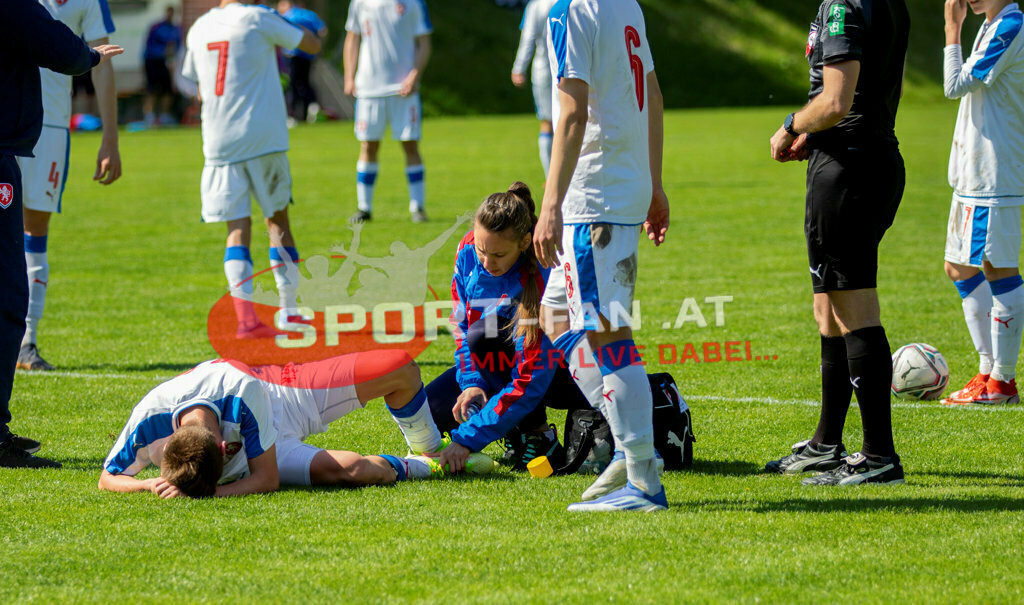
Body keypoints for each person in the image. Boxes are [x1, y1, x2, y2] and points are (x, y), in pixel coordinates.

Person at [533, 0, 670, 512]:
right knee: (555, 315)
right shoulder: (624, 3)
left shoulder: (569, 9)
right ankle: (628, 441)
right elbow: (652, 94)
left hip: (594, 197)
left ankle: (644, 481)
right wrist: (653, 184)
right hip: (621, 186)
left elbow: (573, 111)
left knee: (608, 331)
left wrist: (551, 206)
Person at [767, 0, 910, 485]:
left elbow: (836, 101)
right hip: (863, 159)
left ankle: (879, 458)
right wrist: (818, 130)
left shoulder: (844, 5)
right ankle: (827, 444)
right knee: (827, 309)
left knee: (854, 309)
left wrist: (791, 125)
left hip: (850, 170)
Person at [0, 0, 122, 468]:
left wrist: (109, 135)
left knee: (31, 242)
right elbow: (56, 44)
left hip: (43, 131)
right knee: (7, 292)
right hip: (5, 143)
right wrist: (88, 57)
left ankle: (29, 343)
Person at [98, 351, 463, 498]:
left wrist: (208, 494)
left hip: (281, 396)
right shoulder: (148, 419)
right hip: (259, 437)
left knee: (399, 367)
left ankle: (429, 448)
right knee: (354, 471)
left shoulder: (242, 389)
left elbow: (265, 478)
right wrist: (148, 484)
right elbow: (107, 477)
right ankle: (425, 466)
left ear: (227, 449)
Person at [427, 182, 593, 472]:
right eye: (482, 250)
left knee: (486, 334)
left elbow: (529, 380)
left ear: (525, 243)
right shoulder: (467, 250)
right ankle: (512, 430)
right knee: (430, 410)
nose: (487, 262)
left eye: (499, 256)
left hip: (564, 377)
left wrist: (467, 439)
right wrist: (473, 384)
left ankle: (540, 437)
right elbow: (462, 328)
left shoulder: (545, 271)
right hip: (499, 366)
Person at [181, 0, 321, 339]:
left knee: (236, 227)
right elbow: (311, 46)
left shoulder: (200, 27)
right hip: (262, 138)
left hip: (218, 141)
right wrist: (295, 22)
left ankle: (246, 320)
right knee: (277, 221)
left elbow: (190, 83)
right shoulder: (259, 18)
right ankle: (288, 313)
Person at [16, 0, 121, 372]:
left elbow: (102, 63)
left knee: (34, 232)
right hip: (7, 120)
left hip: (52, 126)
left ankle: (25, 343)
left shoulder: (88, 1)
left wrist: (111, 136)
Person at [940, 0, 1024, 406]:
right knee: (958, 266)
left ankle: (1002, 382)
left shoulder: (1011, 24)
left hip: (995, 173)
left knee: (998, 268)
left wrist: (950, 31)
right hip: (973, 176)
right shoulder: (991, 23)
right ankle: (988, 372)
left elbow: (955, 85)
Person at [343, 0, 432, 223]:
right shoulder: (359, 3)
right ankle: (364, 208)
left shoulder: (413, 3)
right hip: (369, 89)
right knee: (368, 145)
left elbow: (425, 43)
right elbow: (352, 38)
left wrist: (414, 76)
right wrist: (348, 76)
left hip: (403, 90)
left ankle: (417, 207)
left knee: (410, 145)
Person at [511, 0, 555, 175]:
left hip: (543, 70)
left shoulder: (536, 6)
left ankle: (550, 175)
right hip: (572, 70)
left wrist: (518, 68)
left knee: (547, 123)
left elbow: (528, 38)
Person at [277, 0, 327, 123]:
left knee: (293, 84)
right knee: (305, 83)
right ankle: (310, 111)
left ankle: (292, 115)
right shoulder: (310, 15)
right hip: (309, 55)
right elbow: (323, 31)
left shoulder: (287, 15)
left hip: (292, 55)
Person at [142, 5, 182, 126]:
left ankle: (164, 117)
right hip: (153, 62)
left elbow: (177, 47)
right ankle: (149, 117)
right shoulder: (156, 27)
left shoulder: (176, 29)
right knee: (152, 90)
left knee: (167, 90)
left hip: (167, 63)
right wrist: (162, 51)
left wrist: (172, 55)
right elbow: (149, 46)